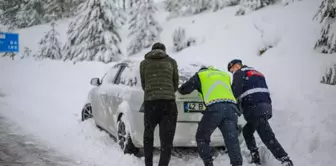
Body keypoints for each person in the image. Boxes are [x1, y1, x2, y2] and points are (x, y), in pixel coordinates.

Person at [228, 59, 294, 166]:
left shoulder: (239, 73)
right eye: (231, 71)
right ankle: (255, 157)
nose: (233, 72)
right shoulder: (257, 72)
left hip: (254, 107)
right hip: (265, 106)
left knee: (266, 135)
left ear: (237, 65)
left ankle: (285, 160)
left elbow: (235, 92)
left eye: (232, 69)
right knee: (247, 131)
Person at [178, 66, 243, 166]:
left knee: (202, 137)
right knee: (232, 140)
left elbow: (184, 90)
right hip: (231, 108)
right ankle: (237, 164)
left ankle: (208, 163)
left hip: (215, 108)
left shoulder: (200, 75)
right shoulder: (224, 75)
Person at [140, 42, 179, 166]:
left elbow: (144, 85)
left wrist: (153, 93)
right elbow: (175, 84)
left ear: (152, 50)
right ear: (164, 51)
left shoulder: (144, 63)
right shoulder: (171, 62)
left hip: (150, 103)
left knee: (148, 135)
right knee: (166, 141)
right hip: (168, 104)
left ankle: (148, 164)